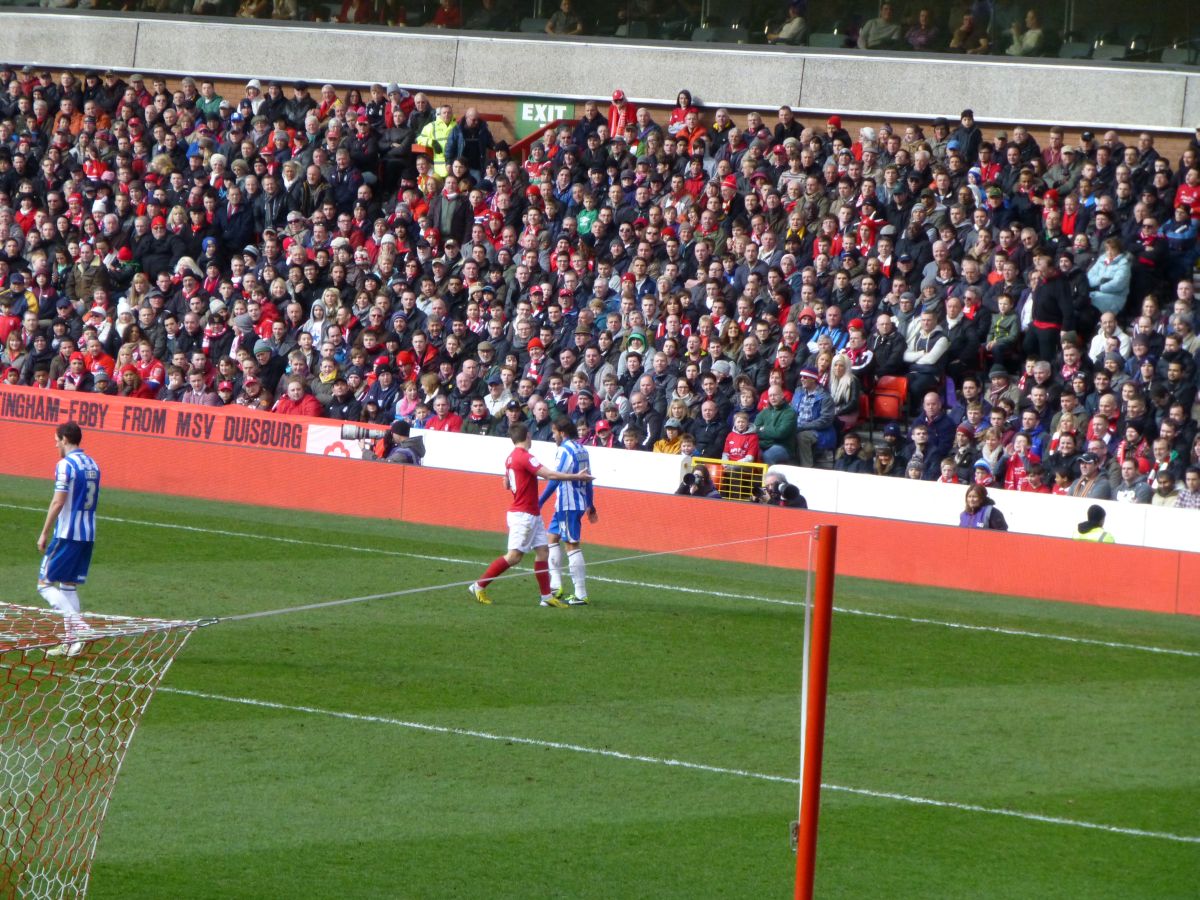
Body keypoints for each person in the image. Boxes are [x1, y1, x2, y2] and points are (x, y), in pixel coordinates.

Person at [470, 422, 594, 608]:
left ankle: (546, 596)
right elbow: (549, 475)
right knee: (514, 557)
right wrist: (577, 476)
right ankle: (479, 586)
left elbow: (505, 483)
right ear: (527, 436)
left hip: (530, 513)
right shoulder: (525, 457)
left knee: (543, 552)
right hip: (523, 514)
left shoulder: (511, 458)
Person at [36, 421, 100, 658]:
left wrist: (44, 531)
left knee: (43, 584)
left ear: (64, 439)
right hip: (87, 534)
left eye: (56, 439)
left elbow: (58, 501)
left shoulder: (65, 465)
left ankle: (81, 627)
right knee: (68, 585)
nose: (55, 443)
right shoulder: (93, 464)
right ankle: (70, 642)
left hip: (67, 534)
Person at [540, 418, 598, 606]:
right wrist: (590, 503)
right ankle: (556, 585)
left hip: (568, 504)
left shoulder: (564, 450)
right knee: (551, 538)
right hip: (572, 503)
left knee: (572, 545)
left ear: (562, 433)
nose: (553, 435)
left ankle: (581, 594)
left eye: (554, 432)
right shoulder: (582, 449)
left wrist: (539, 502)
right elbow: (588, 478)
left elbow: (555, 478)